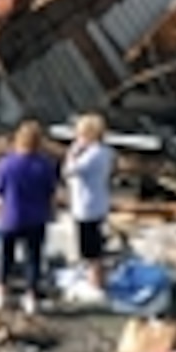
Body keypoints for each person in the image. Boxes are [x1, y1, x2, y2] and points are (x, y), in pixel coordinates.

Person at [0, 118, 61, 316]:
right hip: (37, 218)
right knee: (33, 258)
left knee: (6, 256)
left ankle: (1, 291)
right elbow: (51, 193)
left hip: (11, 216)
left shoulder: (6, 164)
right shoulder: (45, 165)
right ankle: (31, 297)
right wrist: (52, 213)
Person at [64, 113, 115, 296]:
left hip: (86, 206)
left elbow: (69, 170)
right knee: (95, 245)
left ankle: (97, 283)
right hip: (98, 202)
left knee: (90, 249)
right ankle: (95, 279)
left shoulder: (92, 155)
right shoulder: (106, 152)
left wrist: (72, 152)